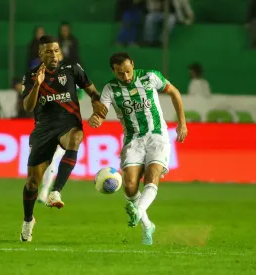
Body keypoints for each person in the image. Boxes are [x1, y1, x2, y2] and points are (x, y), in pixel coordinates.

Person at [88, 52, 188, 245]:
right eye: (120, 73)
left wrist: (182, 123)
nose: (125, 77)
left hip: (157, 135)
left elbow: (174, 92)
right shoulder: (110, 88)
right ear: (113, 71)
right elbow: (101, 113)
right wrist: (96, 119)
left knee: (152, 176)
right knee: (130, 186)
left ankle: (138, 211)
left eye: (127, 71)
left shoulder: (150, 77)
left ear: (132, 64)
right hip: (133, 140)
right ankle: (147, 224)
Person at [20, 35, 108, 242]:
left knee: (77, 137)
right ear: (40, 53)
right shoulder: (32, 75)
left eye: (56, 50)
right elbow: (28, 107)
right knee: (32, 183)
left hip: (68, 125)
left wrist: (97, 106)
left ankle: (56, 192)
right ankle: (28, 220)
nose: (54, 54)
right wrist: (37, 85)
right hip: (44, 130)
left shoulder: (72, 69)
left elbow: (93, 92)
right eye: (49, 51)